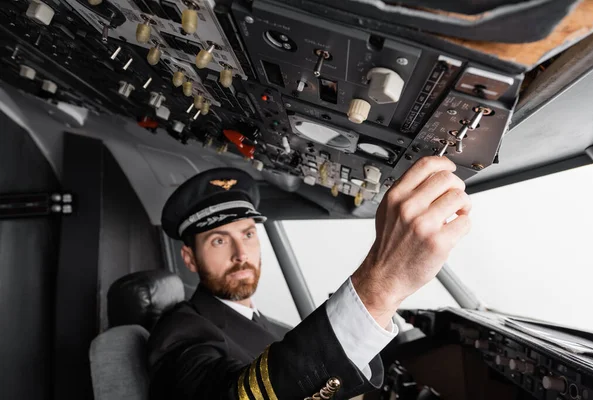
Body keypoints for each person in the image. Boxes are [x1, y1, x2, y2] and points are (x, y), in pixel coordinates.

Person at [148, 156, 471, 399]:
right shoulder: (179, 330)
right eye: (218, 240)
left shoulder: (270, 326)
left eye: (247, 234)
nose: (241, 253)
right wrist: (380, 288)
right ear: (189, 258)